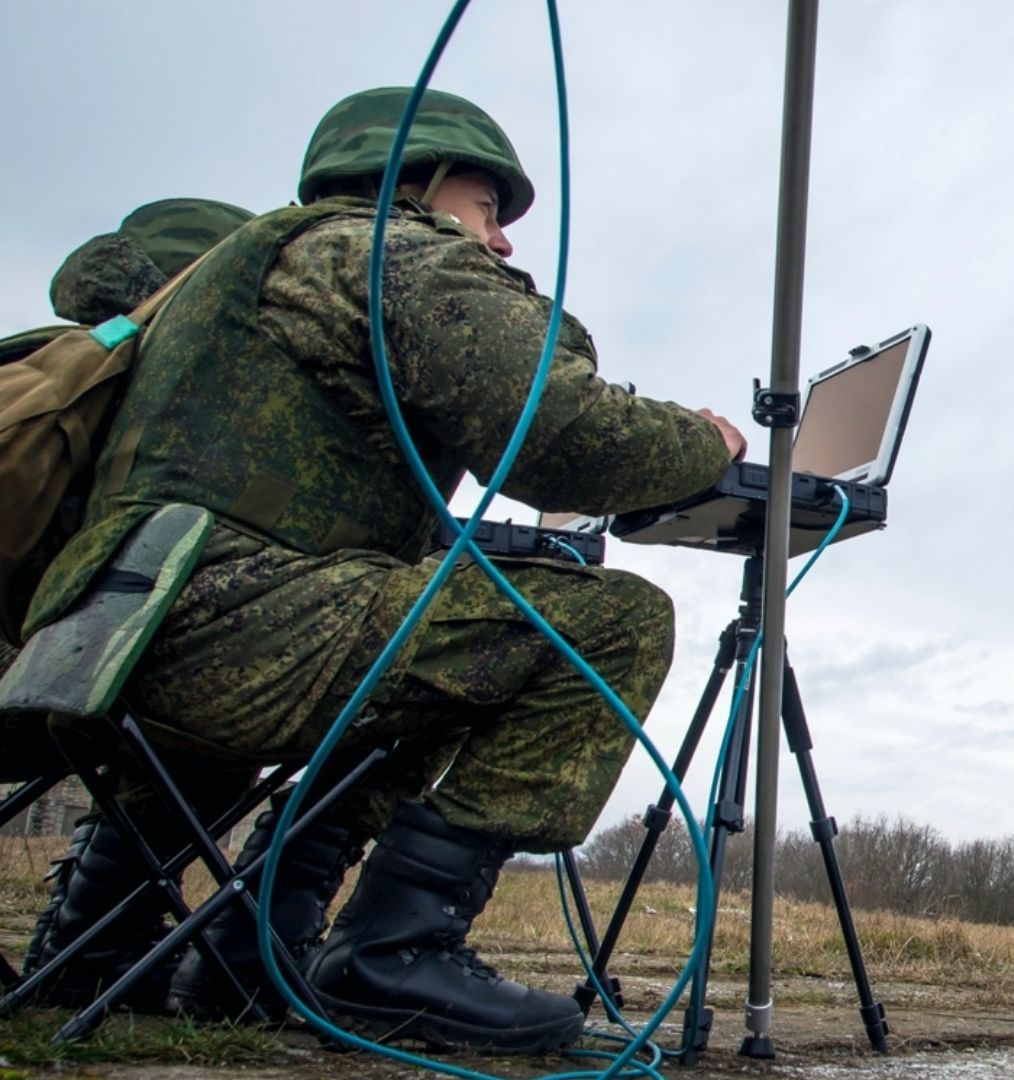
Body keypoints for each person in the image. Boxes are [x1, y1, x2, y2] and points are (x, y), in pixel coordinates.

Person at [14, 87, 746, 1053]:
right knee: (609, 621)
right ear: (421, 184)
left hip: (94, 644)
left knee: (430, 657)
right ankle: (394, 951)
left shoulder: (229, 281)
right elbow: (558, 435)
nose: (502, 242)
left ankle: (166, 949)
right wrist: (703, 444)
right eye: (488, 210)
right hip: (219, 633)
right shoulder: (377, 248)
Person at [5, 198, 260, 1012]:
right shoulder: (169, 415)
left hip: (51, 676)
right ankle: (98, 940)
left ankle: (96, 942)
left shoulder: (40, 365)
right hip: (49, 683)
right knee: (221, 699)